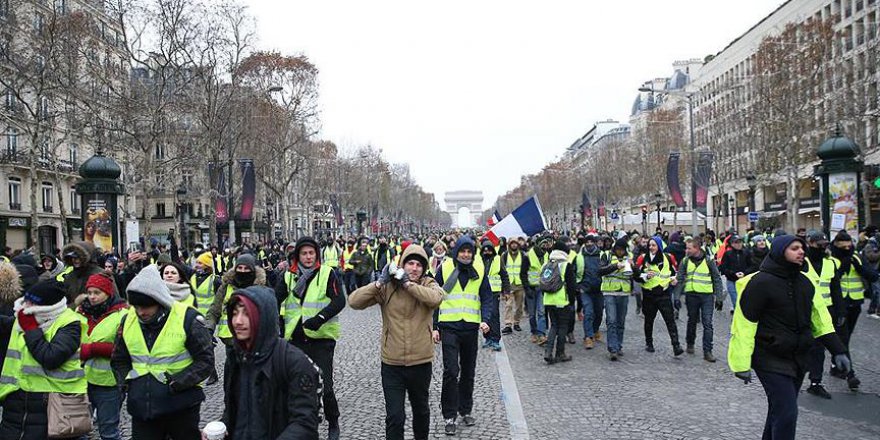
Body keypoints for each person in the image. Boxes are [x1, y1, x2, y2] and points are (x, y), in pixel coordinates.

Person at [728, 235, 850, 440]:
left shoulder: (806, 282)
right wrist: (741, 364)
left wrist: (838, 350)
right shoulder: (759, 283)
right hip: (769, 357)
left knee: (779, 411)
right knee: (787, 413)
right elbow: (744, 325)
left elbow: (820, 320)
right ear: (779, 251)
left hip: (799, 357)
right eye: (794, 248)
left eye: (801, 248)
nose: (801, 251)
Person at [349, 244, 444, 440]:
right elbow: (354, 302)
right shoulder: (388, 287)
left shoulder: (428, 283)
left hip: (420, 361)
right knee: (395, 416)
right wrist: (379, 283)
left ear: (424, 268)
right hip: (392, 363)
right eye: (410, 263)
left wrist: (409, 285)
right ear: (402, 265)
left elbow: (436, 299)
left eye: (419, 265)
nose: (414, 268)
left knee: (421, 411)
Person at [111, 264, 215, 440]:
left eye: (146, 307)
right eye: (137, 306)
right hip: (143, 409)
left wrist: (176, 383)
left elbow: (205, 361)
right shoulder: (128, 320)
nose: (141, 312)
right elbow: (119, 358)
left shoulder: (187, 318)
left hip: (181, 407)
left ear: (159, 302)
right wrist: (128, 383)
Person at [221, 285, 322, 440]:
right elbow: (235, 412)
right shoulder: (235, 359)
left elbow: (305, 423)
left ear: (263, 318)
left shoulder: (293, 362)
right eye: (234, 314)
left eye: (246, 314)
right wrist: (222, 427)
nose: (238, 321)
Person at [275, 237, 346, 440]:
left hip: (321, 338)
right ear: (297, 256)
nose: (308, 257)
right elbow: (274, 299)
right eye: (304, 253)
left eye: (311, 253)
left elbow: (339, 300)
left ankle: (333, 421)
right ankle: (302, 424)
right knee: (298, 386)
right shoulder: (288, 276)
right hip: (295, 339)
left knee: (326, 387)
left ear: (317, 255)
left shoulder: (327, 273)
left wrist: (320, 318)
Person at [0, 280, 86, 439]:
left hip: (51, 403)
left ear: (47, 306)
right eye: (26, 299)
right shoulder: (24, 318)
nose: (26, 305)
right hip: (17, 399)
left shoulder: (70, 323)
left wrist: (31, 329)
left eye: (32, 302)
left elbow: (50, 358)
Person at [432, 236, 493, 436]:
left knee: (468, 371)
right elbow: (434, 297)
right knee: (451, 370)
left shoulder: (480, 269)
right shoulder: (445, 268)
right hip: (449, 327)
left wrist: (486, 319)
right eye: (462, 251)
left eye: (469, 251)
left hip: (470, 327)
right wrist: (434, 326)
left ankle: (465, 409)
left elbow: (487, 296)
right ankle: (449, 415)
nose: (466, 255)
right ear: (456, 252)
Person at [78, 272, 128, 440]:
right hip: (81, 380)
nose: (92, 297)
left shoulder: (122, 315)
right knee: (79, 429)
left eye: (97, 293)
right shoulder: (80, 312)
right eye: (89, 292)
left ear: (108, 293)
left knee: (108, 431)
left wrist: (94, 349)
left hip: (109, 383)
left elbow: (126, 349)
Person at [827, 230, 877, 390]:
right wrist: (842, 268)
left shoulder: (857, 257)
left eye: (849, 246)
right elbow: (829, 280)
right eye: (843, 247)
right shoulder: (831, 260)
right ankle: (850, 374)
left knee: (846, 338)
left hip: (855, 303)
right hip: (838, 305)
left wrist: (859, 267)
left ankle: (836, 365)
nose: (847, 249)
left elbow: (872, 275)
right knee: (842, 338)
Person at [801, 231, 843, 399]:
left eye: (825, 244)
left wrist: (840, 311)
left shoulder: (830, 263)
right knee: (802, 345)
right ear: (810, 243)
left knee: (819, 348)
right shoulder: (802, 262)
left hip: (825, 311)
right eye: (819, 244)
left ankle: (815, 382)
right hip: (804, 311)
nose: (823, 247)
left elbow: (836, 289)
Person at [672, 237, 725, 362]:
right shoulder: (685, 261)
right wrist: (677, 297)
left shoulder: (708, 261)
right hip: (691, 295)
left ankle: (708, 351)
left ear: (696, 248)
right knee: (692, 320)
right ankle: (690, 342)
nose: (686, 250)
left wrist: (719, 298)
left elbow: (717, 279)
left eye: (689, 248)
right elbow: (680, 279)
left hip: (707, 296)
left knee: (708, 323)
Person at [633, 236, 684, 355]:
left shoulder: (668, 258)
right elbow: (635, 276)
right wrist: (645, 276)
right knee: (649, 320)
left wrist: (674, 279)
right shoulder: (642, 258)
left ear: (659, 246)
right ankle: (649, 343)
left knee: (670, 320)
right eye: (649, 245)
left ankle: (676, 345)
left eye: (654, 245)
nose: (651, 247)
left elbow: (675, 272)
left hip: (664, 293)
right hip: (649, 294)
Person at [207, 254, 267, 345]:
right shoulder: (226, 286)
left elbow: (267, 315)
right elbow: (214, 310)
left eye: (246, 268)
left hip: (252, 341)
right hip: (229, 339)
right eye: (240, 268)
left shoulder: (260, 288)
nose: (242, 271)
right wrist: (208, 330)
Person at [542, 240, 577, 364]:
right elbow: (571, 286)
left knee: (554, 325)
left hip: (548, 300)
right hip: (562, 300)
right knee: (563, 326)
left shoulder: (546, 264)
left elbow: (543, 282)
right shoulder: (566, 265)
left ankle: (548, 352)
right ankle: (560, 353)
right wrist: (572, 301)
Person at [61, 240, 113, 308]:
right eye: (72, 258)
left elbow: (113, 299)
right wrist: (75, 305)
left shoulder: (101, 274)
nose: (74, 260)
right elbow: (65, 302)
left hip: (99, 312)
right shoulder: (69, 277)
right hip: (74, 312)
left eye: (78, 257)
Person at [574, 234, 604, 349]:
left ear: (595, 243)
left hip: (599, 289)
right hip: (586, 289)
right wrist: (578, 286)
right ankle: (588, 337)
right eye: (587, 242)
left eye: (591, 242)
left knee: (599, 312)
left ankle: (595, 330)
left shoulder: (601, 255)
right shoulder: (580, 256)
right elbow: (574, 271)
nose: (589, 244)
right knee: (588, 312)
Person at [522, 236, 551, 345]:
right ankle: (534, 332)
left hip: (542, 288)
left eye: (546, 244)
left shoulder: (547, 255)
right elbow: (523, 273)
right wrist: (527, 288)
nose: (545, 246)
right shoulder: (528, 256)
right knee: (532, 314)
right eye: (543, 244)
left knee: (541, 312)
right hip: (531, 288)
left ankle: (541, 334)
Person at [480, 240, 508, 351]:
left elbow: (504, 275)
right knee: (485, 317)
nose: (487, 252)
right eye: (485, 250)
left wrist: (506, 291)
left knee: (494, 316)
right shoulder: (479, 260)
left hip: (494, 292)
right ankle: (487, 338)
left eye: (489, 250)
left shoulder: (498, 259)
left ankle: (495, 339)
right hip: (482, 292)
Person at [500, 237, 525, 334]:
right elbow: (502, 270)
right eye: (512, 243)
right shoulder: (504, 255)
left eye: (515, 243)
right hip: (509, 285)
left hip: (520, 284)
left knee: (519, 306)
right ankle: (508, 324)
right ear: (509, 245)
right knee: (508, 305)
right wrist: (503, 286)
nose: (514, 245)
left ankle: (516, 322)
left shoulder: (522, 255)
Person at [720, 235, 750, 314]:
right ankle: (738, 315)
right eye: (736, 242)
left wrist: (745, 273)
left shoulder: (747, 253)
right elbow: (723, 268)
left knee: (744, 300)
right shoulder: (727, 254)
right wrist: (733, 274)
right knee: (735, 301)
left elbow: (752, 266)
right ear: (732, 244)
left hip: (744, 281)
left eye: (740, 242)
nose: (739, 244)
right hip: (732, 281)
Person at [190, 251, 221, 318]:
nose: (196, 265)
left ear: (207, 266)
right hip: (194, 317)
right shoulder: (192, 277)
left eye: (200, 263)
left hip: (208, 318)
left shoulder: (215, 280)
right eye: (196, 262)